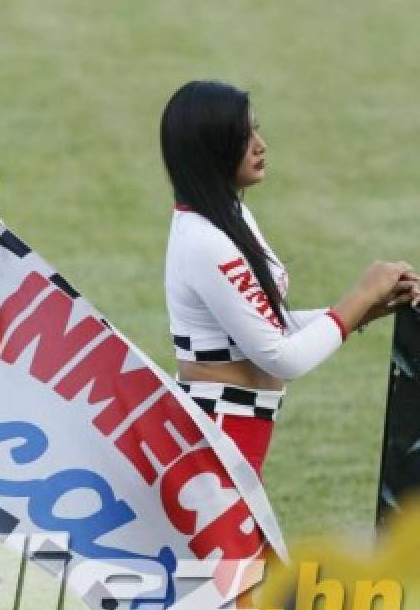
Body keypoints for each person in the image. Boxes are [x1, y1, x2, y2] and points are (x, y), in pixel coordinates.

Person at [160, 80, 419, 475]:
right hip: (216, 441)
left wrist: (373, 306)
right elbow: (283, 358)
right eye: (242, 138)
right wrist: (362, 293)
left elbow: (270, 329)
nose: (260, 145)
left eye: (256, 130)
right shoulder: (205, 241)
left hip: (231, 432)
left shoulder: (229, 216)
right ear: (210, 150)